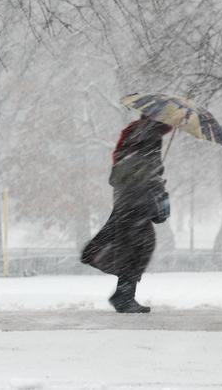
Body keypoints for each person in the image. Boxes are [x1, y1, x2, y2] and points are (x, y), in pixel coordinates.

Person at [81, 116, 173, 313]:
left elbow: (126, 166)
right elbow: (144, 167)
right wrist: (156, 180)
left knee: (133, 247)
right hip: (136, 200)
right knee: (139, 248)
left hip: (127, 199)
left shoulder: (137, 131)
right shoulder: (150, 135)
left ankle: (123, 295)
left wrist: (153, 175)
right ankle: (123, 296)